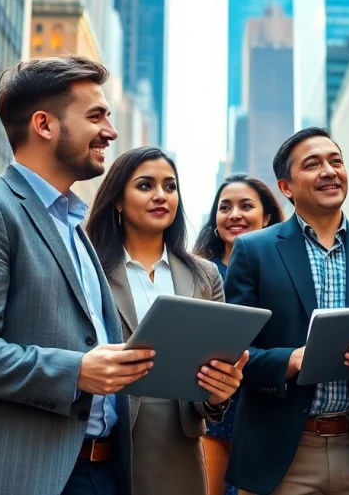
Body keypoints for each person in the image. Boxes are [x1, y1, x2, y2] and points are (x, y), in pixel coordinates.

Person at [0, 55, 154, 495]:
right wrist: (76, 371)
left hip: (102, 472)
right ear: (44, 125)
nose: (110, 131)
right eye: (96, 117)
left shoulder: (75, 228)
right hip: (15, 476)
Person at [224, 127, 349, 495]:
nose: (329, 171)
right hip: (281, 455)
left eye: (336, 162)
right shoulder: (253, 251)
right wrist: (291, 361)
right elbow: (233, 353)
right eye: (312, 164)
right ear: (285, 187)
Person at [85, 146, 248, 495]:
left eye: (170, 186)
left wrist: (218, 393)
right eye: (146, 185)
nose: (161, 195)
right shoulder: (89, 268)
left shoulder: (205, 275)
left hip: (179, 448)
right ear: (118, 200)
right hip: (107, 443)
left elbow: (212, 375)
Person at [193, 174, 286, 495]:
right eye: (225, 208)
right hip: (212, 411)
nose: (235, 215)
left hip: (269, 411)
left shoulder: (284, 274)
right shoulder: (199, 274)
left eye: (246, 206)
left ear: (267, 217)